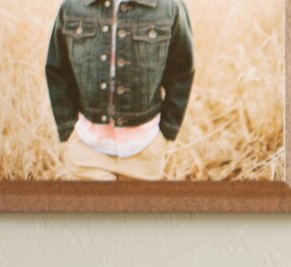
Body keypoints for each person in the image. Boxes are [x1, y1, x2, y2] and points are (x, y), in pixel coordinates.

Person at [45, 0, 195, 182]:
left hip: (145, 150)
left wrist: (165, 134)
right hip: (87, 149)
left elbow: (181, 73)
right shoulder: (72, 5)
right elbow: (58, 70)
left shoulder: (169, 6)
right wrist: (68, 130)